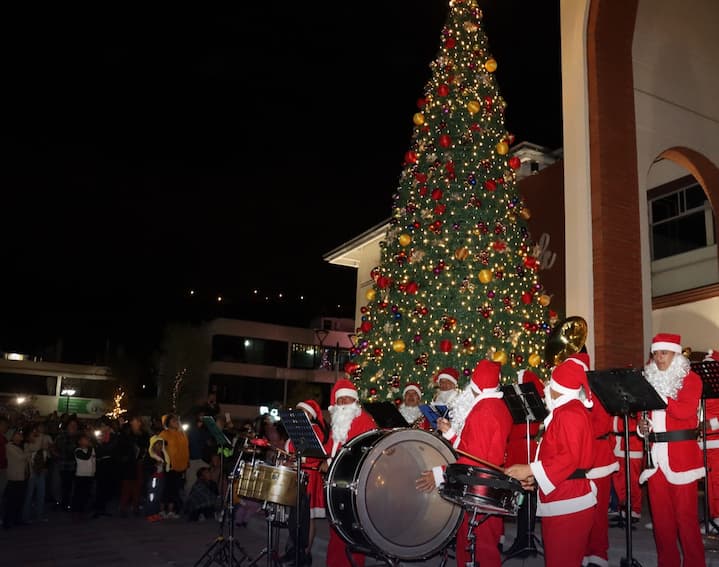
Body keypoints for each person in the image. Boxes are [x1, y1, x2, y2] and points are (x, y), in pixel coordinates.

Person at [416, 359, 513, 567]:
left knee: (479, 549)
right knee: (483, 545)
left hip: (479, 488)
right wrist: (450, 433)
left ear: (475, 387)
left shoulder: (482, 412)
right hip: (489, 485)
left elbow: (472, 460)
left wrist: (440, 473)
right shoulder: (497, 406)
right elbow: (475, 449)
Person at [505, 356, 597, 567]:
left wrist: (529, 468)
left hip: (568, 500)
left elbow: (569, 458)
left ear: (558, 388)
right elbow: (558, 456)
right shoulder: (567, 411)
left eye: (550, 383)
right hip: (563, 494)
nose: (546, 388)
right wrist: (534, 478)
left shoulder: (569, 413)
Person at [638, 333, 705, 567]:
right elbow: (641, 414)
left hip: (682, 458)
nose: (658, 358)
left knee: (686, 520)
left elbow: (685, 412)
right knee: (662, 521)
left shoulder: (691, 380)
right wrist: (641, 426)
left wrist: (659, 395)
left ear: (676, 354)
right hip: (655, 459)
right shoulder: (650, 380)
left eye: (663, 353)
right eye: (655, 353)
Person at [323, 379, 377, 567]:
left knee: (351, 533)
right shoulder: (337, 424)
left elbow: (369, 453)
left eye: (348, 399)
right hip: (336, 484)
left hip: (354, 485)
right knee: (336, 530)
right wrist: (325, 460)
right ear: (336, 404)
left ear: (355, 401)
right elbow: (331, 448)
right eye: (341, 400)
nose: (345, 403)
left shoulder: (365, 421)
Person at [574, 352, 619, 567]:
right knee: (581, 511)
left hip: (598, 458)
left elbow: (602, 426)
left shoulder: (598, 393)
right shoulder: (575, 395)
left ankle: (598, 553)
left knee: (598, 512)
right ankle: (582, 551)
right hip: (580, 458)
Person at [281, 399, 329, 567]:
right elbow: (291, 453)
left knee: (307, 518)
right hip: (296, 476)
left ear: (310, 414)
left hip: (309, 477)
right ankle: (294, 551)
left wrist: (296, 461)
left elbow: (313, 454)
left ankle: (304, 553)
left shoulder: (314, 430)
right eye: (297, 410)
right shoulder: (294, 431)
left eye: (302, 411)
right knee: (296, 517)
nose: (298, 414)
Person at [502, 368, 544, 558]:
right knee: (521, 496)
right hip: (518, 448)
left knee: (526, 494)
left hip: (524, 449)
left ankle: (525, 538)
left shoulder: (530, 402)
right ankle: (522, 537)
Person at [117, 415, 149, 517]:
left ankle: (135, 507)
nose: (133, 423)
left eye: (135, 420)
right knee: (126, 486)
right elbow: (122, 445)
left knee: (137, 486)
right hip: (128, 462)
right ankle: (123, 508)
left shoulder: (144, 434)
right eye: (132, 421)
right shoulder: (127, 433)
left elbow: (145, 446)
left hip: (139, 462)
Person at [159, 413, 190, 519]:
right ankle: (162, 510)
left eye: (177, 420)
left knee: (175, 489)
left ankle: (171, 510)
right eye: (173, 421)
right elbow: (159, 449)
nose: (176, 422)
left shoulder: (182, 434)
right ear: (168, 423)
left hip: (180, 465)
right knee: (167, 488)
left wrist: (186, 462)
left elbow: (186, 449)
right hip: (169, 465)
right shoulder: (164, 434)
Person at [22, 421, 53, 523]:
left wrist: (48, 449)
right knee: (29, 495)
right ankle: (25, 517)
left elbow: (48, 455)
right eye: (38, 428)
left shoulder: (44, 438)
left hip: (41, 471)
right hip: (31, 472)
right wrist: (42, 440)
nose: (40, 429)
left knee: (41, 494)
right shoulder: (27, 442)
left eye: (42, 427)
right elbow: (33, 450)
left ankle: (39, 516)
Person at [703, 349, 719, 530]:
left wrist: (711, 424)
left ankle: (717, 518)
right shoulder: (703, 389)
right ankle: (712, 517)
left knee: (716, 482)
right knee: (708, 483)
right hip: (702, 441)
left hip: (716, 439)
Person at [3, 429, 28, 529]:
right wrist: (29, 451)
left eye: (20, 434)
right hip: (14, 477)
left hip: (21, 477)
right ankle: (8, 521)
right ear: (12, 436)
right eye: (17, 434)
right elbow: (20, 458)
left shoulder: (21, 446)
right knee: (11, 501)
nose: (20, 436)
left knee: (20, 500)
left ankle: (17, 519)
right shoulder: (9, 446)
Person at [145, 434, 169, 522]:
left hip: (161, 477)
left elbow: (167, 464)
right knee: (152, 496)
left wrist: (165, 465)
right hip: (153, 478)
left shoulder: (162, 454)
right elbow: (146, 467)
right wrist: (155, 466)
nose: (160, 446)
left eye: (161, 444)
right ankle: (149, 513)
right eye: (158, 444)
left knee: (158, 496)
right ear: (153, 445)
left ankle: (155, 513)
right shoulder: (150, 455)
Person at [72, 433, 95, 522]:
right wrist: (90, 447)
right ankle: (76, 513)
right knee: (78, 496)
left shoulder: (91, 449)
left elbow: (93, 462)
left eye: (88, 439)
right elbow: (86, 457)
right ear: (79, 442)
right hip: (80, 476)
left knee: (86, 496)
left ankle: (83, 513)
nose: (87, 441)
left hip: (89, 476)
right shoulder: (77, 450)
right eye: (85, 439)